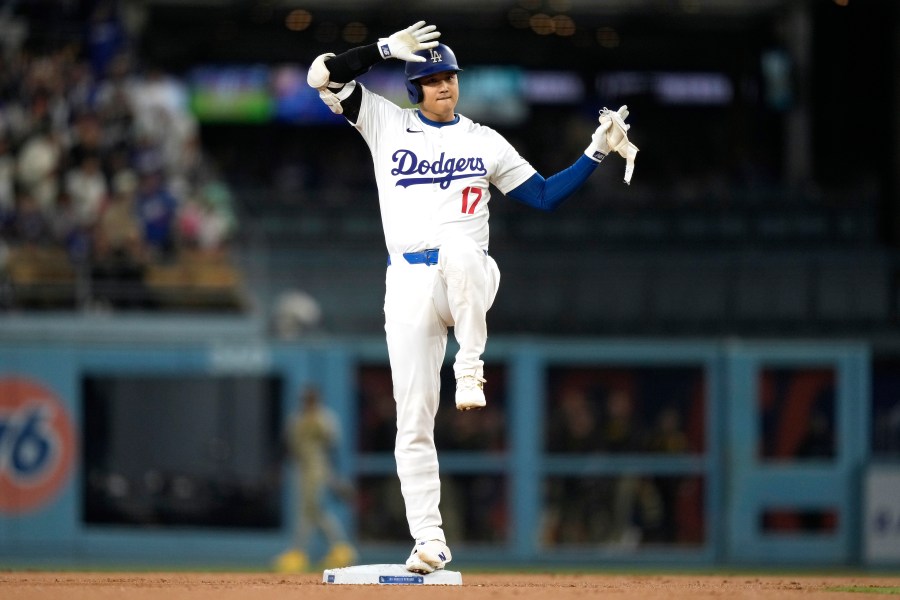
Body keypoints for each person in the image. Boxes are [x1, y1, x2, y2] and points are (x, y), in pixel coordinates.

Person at [306, 21, 638, 574]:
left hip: (469, 280)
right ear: (414, 88)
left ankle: (469, 365)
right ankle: (430, 542)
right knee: (411, 420)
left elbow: (544, 196)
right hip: (408, 283)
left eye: (450, 77)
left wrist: (594, 153)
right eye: (432, 79)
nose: (444, 86)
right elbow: (321, 74)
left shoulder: (483, 139)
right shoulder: (385, 121)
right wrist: (383, 50)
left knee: (460, 246)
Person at [274, 387, 356, 573]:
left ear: (317, 399)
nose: (308, 402)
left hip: (318, 467)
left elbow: (332, 447)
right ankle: (340, 548)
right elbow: (287, 445)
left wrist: (334, 476)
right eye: (305, 398)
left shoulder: (325, 418)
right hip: (301, 468)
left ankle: (300, 553)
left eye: (311, 398)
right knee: (310, 509)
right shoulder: (296, 418)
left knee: (309, 508)